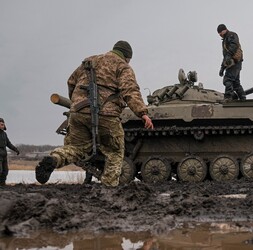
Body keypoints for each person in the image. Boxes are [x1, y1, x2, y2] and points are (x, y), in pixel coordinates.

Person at [35, 40, 154, 187]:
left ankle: (54, 159)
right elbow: (130, 90)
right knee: (114, 152)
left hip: (78, 112)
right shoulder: (123, 66)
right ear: (127, 57)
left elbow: (71, 82)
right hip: (106, 115)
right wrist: (142, 113)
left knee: (76, 148)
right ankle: (108, 189)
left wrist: (76, 103)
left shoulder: (90, 61)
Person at [217, 24, 246, 101]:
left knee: (227, 79)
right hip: (233, 63)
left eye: (220, 32)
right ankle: (243, 98)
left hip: (234, 62)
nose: (220, 35)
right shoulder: (225, 39)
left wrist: (228, 57)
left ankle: (228, 97)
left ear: (224, 30)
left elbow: (233, 47)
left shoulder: (231, 35)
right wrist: (222, 68)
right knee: (236, 83)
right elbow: (226, 56)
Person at [0, 118, 20, 186]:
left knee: (5, 171)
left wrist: (15, 149)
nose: (2, 126)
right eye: (1, 125)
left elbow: (8, 144)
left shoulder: (4, 134)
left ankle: (2, 184)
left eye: (3, 124)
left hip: (4, 155)